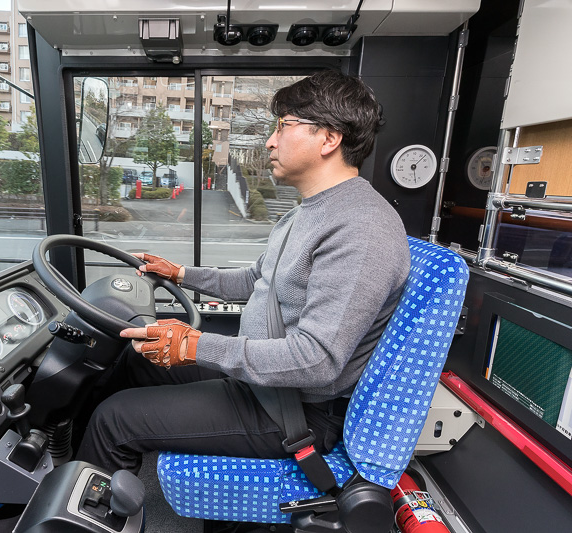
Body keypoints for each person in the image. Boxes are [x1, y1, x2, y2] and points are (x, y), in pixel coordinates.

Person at [76, 70, 411, 475]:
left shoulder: (362, 227)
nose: (270, 140)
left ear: (328, 138)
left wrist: (195, 346)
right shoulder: (308, 211)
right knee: (137, 360)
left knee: (114, 419)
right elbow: (257, 281)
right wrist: (180, 274)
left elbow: (317, 360)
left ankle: (82, 498)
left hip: (294, 408)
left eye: (284, 126)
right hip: (265, 379)